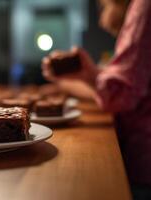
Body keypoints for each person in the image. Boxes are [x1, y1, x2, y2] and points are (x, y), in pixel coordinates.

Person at [42, 0, 151, 198]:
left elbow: (122, 94)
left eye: (103, 6)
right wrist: (88, 75)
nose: (102, 19)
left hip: (143, 160)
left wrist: (90, 75)